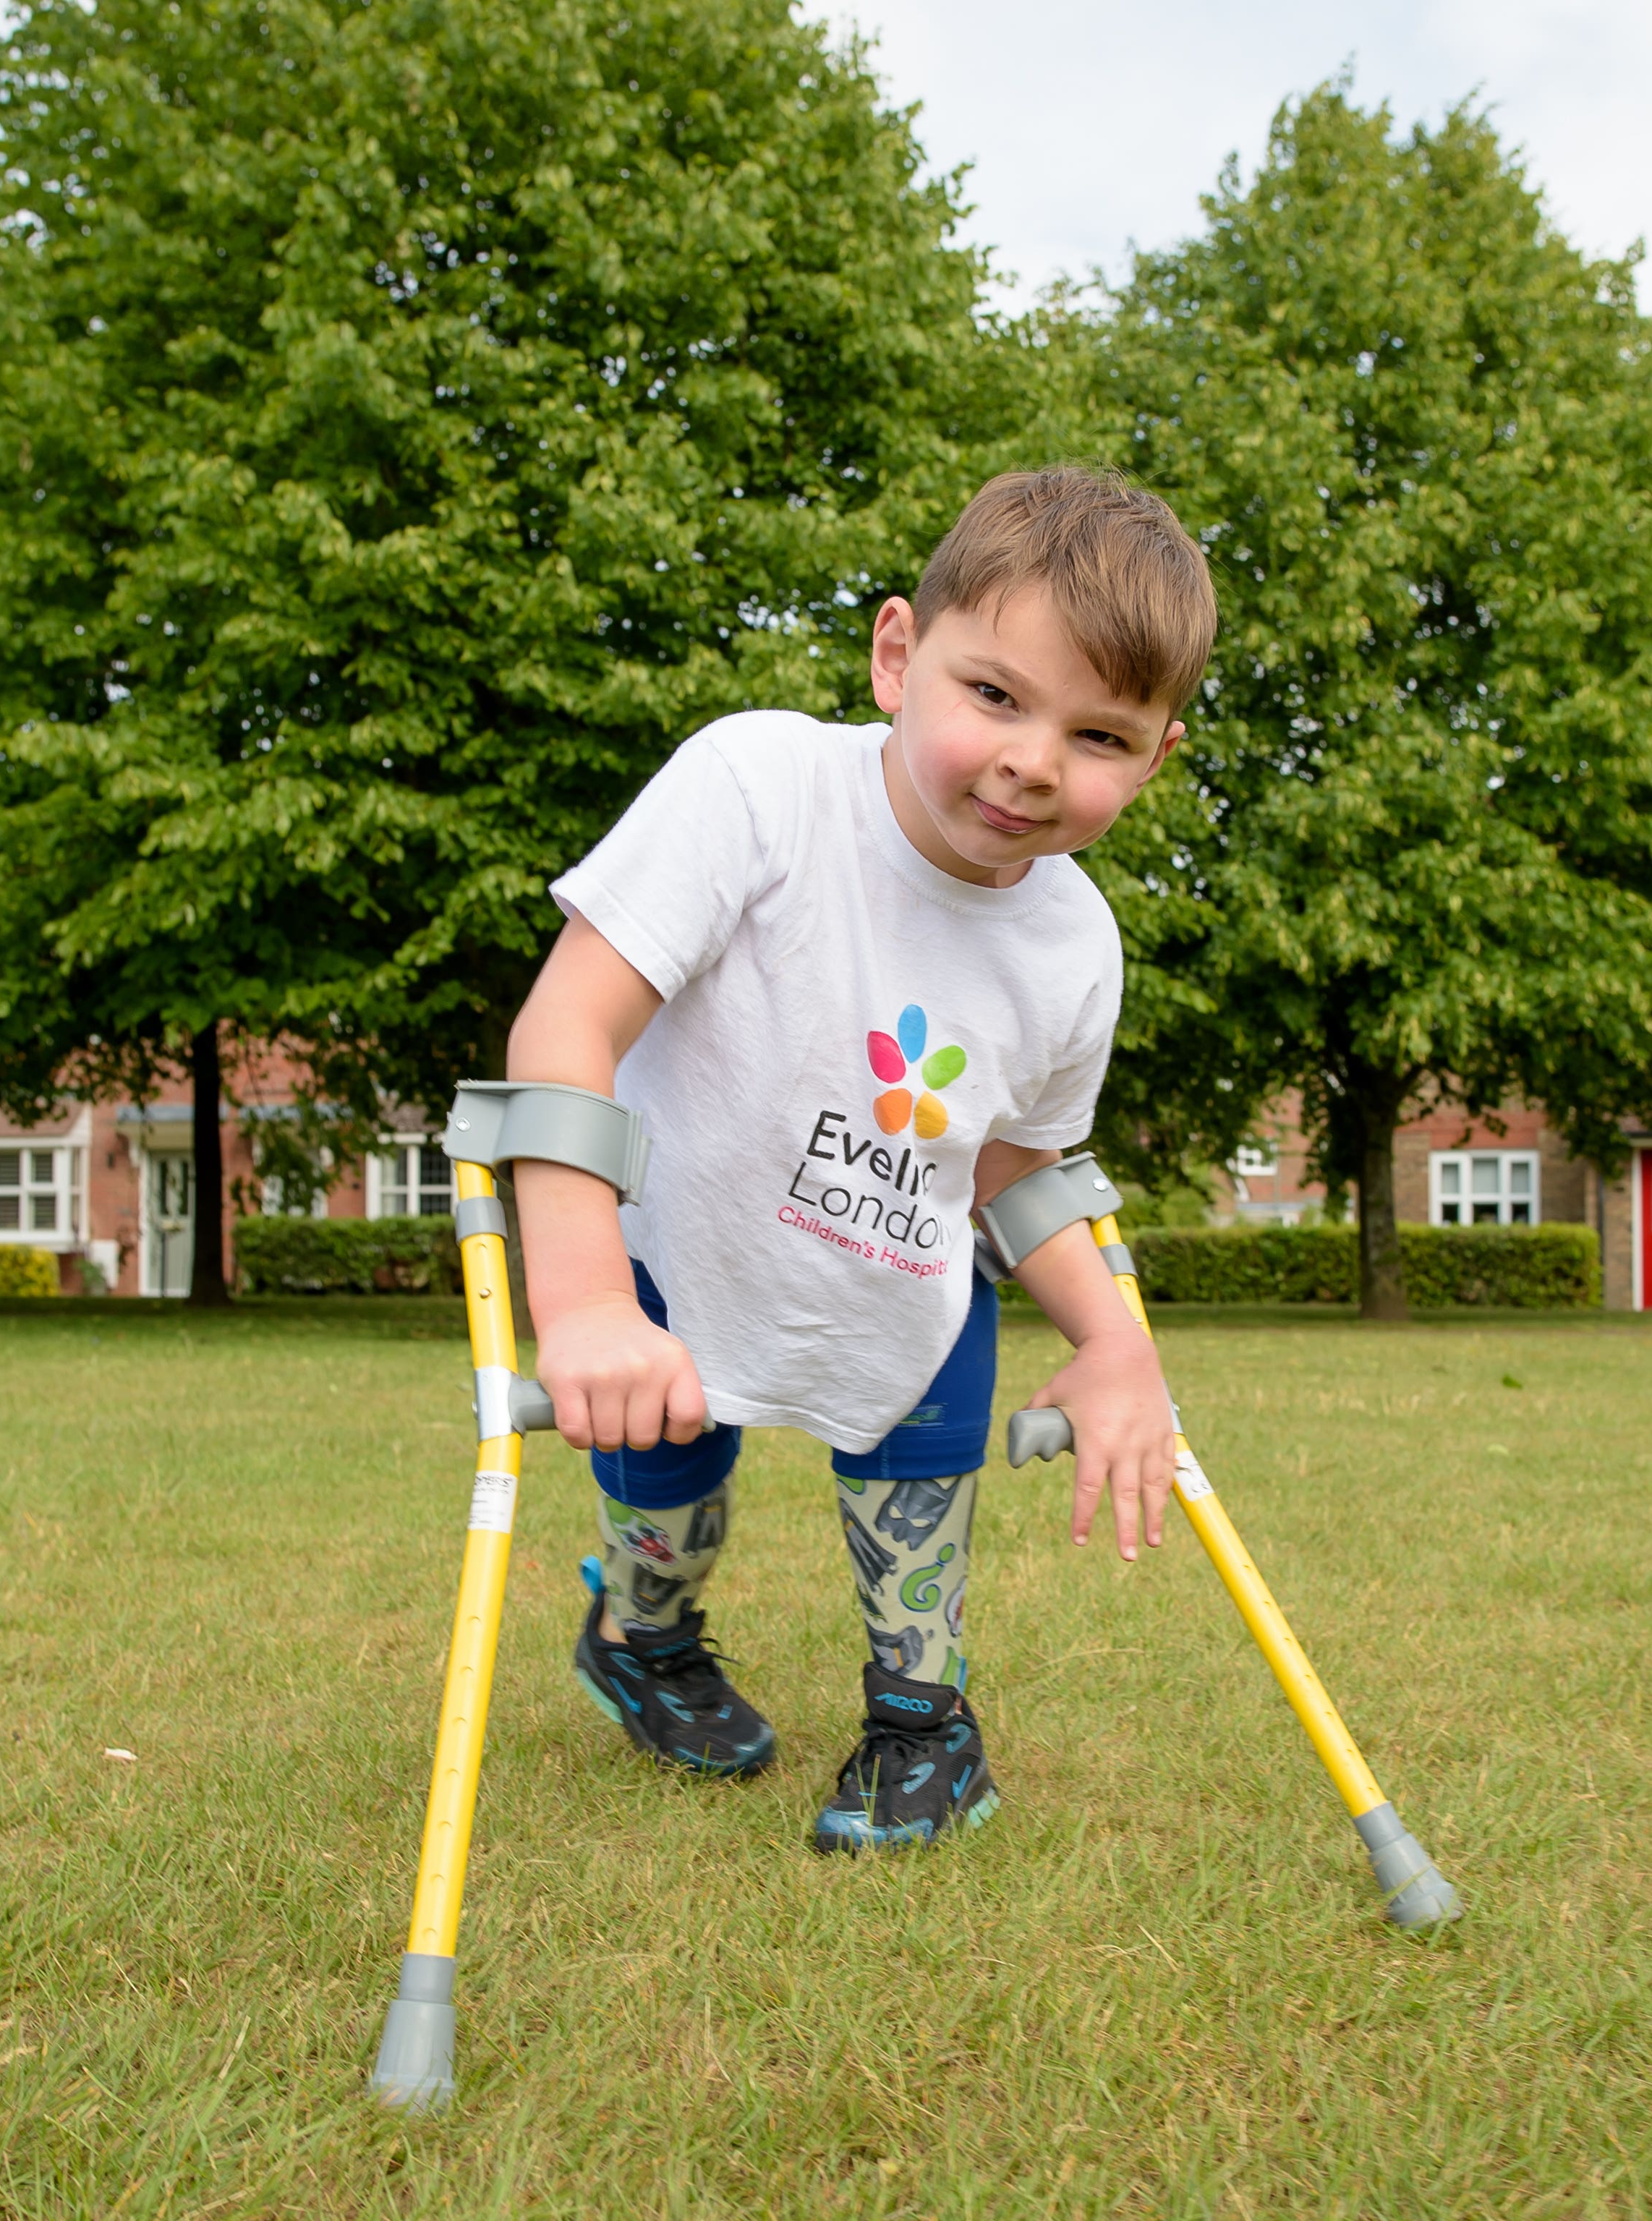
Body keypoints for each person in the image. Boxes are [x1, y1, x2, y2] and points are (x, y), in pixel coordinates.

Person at [503, 464, 1215, 1852]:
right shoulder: (756, 784)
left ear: (1155, 757)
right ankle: (641, 1641)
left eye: (1099, 736)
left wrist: (1118, 1344)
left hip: (903, 1270)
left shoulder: (1076, 947)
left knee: (916, 1499)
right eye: (994, 696)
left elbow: (1024, 1172)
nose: (1031, 761)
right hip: (674, 1248)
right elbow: (566, 1024)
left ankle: (921, 1730)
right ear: (898, 655)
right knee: (669, 1499)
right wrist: (584, 1298)